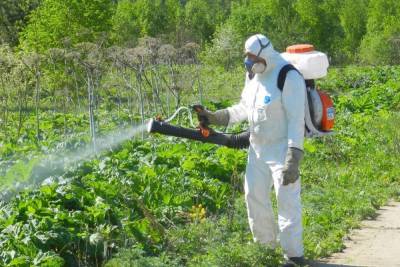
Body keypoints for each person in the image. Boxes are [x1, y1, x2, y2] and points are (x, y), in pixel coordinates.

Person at [195, 34, 307, 267]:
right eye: (247, 59)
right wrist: (216, 117)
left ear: (265, 54)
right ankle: (265, 250)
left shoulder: (288, 76)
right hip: (257, 148)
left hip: (281, 150)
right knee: (254, 197)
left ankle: (293, 256)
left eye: (253, 59)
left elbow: (297, 121)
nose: (250, 64)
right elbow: (244, 108)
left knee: (286, 200)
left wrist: (293, 158)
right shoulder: (253, 75)